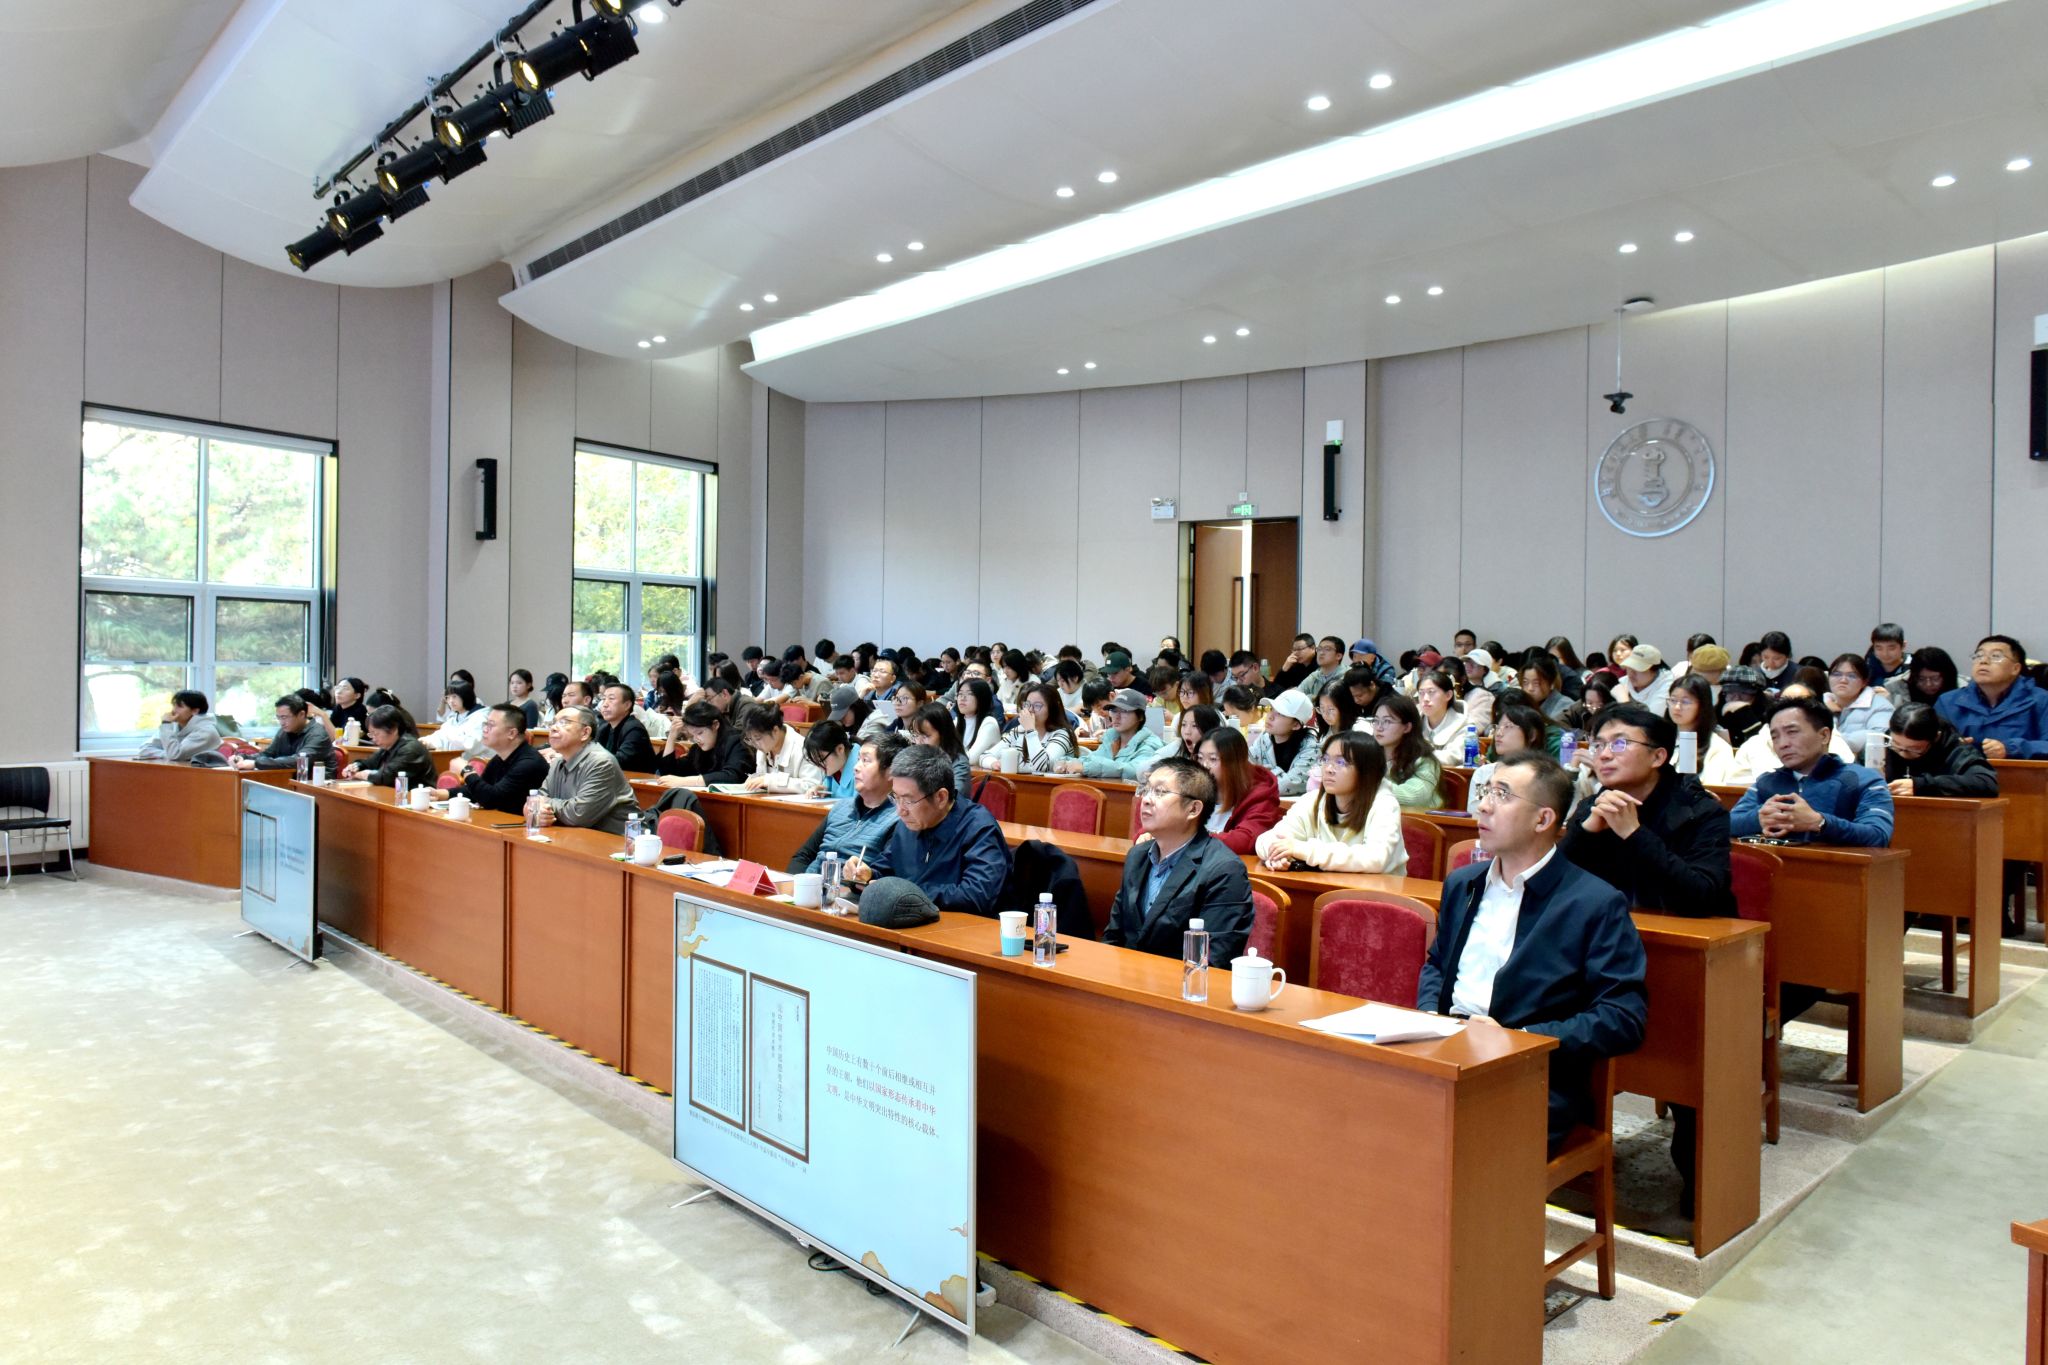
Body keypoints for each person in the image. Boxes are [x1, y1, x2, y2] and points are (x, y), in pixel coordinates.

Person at [1419, 752, 1649, 1150]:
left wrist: (1517, 1040)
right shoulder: (1464, 883)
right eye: (1486, 791)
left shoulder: (1593, 902)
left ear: (1543, 819)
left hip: (1531, 1077)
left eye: (1502, 795)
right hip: (1446, 1051)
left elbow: (1623, 1017)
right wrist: (1428, 1020)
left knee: (1425, 1140)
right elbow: (1437, 965)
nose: (1483, 805)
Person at [1562, 704, 1734, 919]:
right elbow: (1552, 886)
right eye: (1598, 745)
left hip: (1680, 932)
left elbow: (1702, 896)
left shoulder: (1700, 811)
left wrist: (1634, 833)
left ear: (1657, 757)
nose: (1604, 755)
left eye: (1619, 743)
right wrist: (1585, 832)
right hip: (1607, 929)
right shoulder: (1592, 808)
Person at [1102, 757, 1255, 964]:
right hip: (1126, 976)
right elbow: (1114, 936)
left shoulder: (1224, 870)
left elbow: (1212, 960)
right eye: (1145, 790)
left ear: (1193, 809)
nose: (1146, 799)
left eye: (1160, 792)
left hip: (1183, 982)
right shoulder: (1137, 856)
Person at [844, 744, 1010, 919]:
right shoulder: (908, 825)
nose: (900, 811)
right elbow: (885, 869)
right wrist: (865, 875)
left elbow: (978, 895)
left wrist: (908, 894)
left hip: (965, 928)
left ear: (941, 797)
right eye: (895, 798)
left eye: (908, 801)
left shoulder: (979, 827)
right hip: (910, 922)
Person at [1729, 696, 1894, 847]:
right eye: (1775, 737)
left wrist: (1819, 823)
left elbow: (1878, 835)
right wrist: (1758, 818)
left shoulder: (1864, 779)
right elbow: (1728, 824)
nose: (1782, 744)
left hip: (1836, 869)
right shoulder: (1767, 782)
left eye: (1792, 732)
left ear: (1824, 735)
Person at [1255, 731, 1407, 874]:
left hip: (1375, 891)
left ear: (1367, 770)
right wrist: (1277, 855)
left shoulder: (1384, 805)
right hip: (1322, 886)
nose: (1328, 769)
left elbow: (1375, 859)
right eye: (1325, 760)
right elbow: (1267, 839)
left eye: (1341, 762)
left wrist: (1301, 849)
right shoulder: (1312, 800)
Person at [786, 732, 908, 876]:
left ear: (891, 772)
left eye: (865, 760)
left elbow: (880, 875)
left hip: (846, 887)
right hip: (810, 883)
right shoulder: (841, 807)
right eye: (858, 759)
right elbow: (803, 856)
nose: (856, 767)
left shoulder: (898, 819)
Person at [527, 705, 640, 834]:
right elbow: (535, 801)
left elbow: (578, 814)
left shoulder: (601, 762)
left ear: (585, 733)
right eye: (553, 722)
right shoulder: (558, 762)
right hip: (576, 836)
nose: (553, 728)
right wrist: (534, 811)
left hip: (618, 840)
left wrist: (543, 805)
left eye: (564, 722)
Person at [1936, 635, 2048, 760]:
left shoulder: (2040, 700)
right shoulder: (1948, 702)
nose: (1983, 661)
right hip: (1965, 770)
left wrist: (2011, 749)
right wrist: (1952, 746)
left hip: (2021, 771)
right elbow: (1929, 745)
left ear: (2015, 668)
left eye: (1995, 656)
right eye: (1979, 656)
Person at [1727, 682, 1854, 784]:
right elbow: (1734, 792)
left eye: (1801, 701)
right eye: (1785, 701)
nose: (1783, 744)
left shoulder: (1835, 743)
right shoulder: (1754, 745)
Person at [1883, 703, 1998, 799]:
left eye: (1914, 749)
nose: (1903, 753)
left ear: (1936, 737)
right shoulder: (1882, 741)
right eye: (1896, 744)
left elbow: (1987, 782)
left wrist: (1923, 785)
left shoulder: (1955, 749)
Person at [1195, 727, 1281, 854]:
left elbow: (1247, 839)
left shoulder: (1260, 795)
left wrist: (1191, 841)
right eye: (1200, 758)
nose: (1204, 766)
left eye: (1213, 759)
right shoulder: (1194, 787)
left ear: (1234, 762)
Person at [452, 704, 551, 812]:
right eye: (485, 724)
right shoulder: (500, 758)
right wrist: (442, 794)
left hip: (523, 821)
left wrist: (467, 771)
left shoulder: (529, 763)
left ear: (511, 733)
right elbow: (477, 791)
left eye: (491, 725)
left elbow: (491, 799)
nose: (485, 729)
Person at [1366, 694, 1444, 809]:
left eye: (1387, 721)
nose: (1379, 727)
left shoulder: (1425, 761)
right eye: (1376, 721)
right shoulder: (1368, 755)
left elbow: (1414, 796)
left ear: (1407, 727)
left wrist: (1366, 788)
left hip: (1417, 819)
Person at [1467, 705, 1549, 814]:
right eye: (1498, 727)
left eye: (1508, 727)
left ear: (1532, 735)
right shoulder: (1484, 772)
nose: (1498, 734)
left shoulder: (1543, 776)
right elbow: (1476, 811)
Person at [1068, 689, 1166, 779]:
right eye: (1114, 710)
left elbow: (1136, 770)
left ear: (1140, 717)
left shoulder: (1150, 743)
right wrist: (1067, 763)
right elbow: (1093, 758)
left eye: (1124, 711)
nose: (1117, 716)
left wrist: (1087, 767)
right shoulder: (1112, 737)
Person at [651, 701, 752, 788]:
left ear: (715, 725)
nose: (696, 739)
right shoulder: (697, 749)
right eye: (692, 735)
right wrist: (671, 737)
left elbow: (733, 776)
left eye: (699, 733)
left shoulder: (737, 741)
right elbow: (669, 774)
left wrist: (687, 781)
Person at [983, 682, 1076, 774]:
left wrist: (1030, 730)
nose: (1030, 710)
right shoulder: (1019, 731)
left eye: (1037, 706)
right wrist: (993, 763)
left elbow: (1042, 766)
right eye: (1027, 705)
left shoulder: (1062, 734)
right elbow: (985, 755)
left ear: (1053, 709)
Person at [1666, 673, 1740, 786]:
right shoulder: (1659, 738)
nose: (1677, 707)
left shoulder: (1717, 748)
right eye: (1673, 700)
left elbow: (1713, 790)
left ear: (1702, 706)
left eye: (1685, 702)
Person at [339, 704, 435, 789]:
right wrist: (356, 767)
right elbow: (368, 763)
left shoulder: (411, 748)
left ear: (393, 729)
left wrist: (360, 774)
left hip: (417, 798)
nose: (373, 739)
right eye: (371, 734)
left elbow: (387, 777)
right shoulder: (388, 746)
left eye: (376, 734)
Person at [234, 695, 336, 774]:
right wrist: (243, 758)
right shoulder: (284, 731)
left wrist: (256, 763)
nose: (281, 722)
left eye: (284, 717)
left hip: (316, 785)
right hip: (289, 780)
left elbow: (298, 761)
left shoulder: (317, 734)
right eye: (279, 718)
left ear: (301, 714)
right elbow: (268, 754)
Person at [1248, 689, 1319, 796]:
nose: (1270, 716)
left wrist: (1262, 773)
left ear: (1296, 725)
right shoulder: (1264, 738)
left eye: (1280, 713)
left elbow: (1286, 785)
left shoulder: (1311, 747)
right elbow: (1244, 772)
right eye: (1271, 709)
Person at [1823, 654, 1894, 756]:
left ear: (1864, 682)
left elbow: (1877, 737)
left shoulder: (1881, 707)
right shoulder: (1819, 703)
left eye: (1852, 676)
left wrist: (1825, 740)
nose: (1843, 680)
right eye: (1837, 674)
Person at [740, 705, 823, 790]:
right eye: (750, 739)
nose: (754, 744)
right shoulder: (764, 749)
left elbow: (812, 785)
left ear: (775, 730)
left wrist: (771, 781)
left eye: (758, 738)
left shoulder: (804, 749)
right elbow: (762, 778)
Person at [908, 702, 976, 798]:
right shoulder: (917, 759)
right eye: (916, 735)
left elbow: (953, 799)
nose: (919, 742)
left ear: (943, 734)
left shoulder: (959, 763)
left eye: (925, 736)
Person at [138, 690, 222, 763]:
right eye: (173, 705)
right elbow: (144, 749)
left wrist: (166, 724)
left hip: (204, 774)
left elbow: (175, 755)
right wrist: (166, 754)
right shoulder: (173, 725)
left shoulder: (206, 731)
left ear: (195, 711)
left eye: (179, 706)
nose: (173, 710)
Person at [1140, 703, 1223, 777]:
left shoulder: (1220, 754)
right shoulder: (1178, 746)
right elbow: (1142, 770)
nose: (1187, 732)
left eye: (1195, 726)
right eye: (1184, 724)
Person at [590, 682, 657, 773]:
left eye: (611, 699)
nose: (605, 704)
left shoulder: (634, 729)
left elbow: (621, 761)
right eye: (604, 699)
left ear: (627, 705)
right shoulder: (604, 728)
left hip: (636, 780)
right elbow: (592, 752)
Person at [1416, 669, 1468, 765]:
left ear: (1448, 695)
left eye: (1431, 692)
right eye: (1421, 693)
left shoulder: (1465, 725)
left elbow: (1453, 757)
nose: (1425, 699)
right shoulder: (1412, 721)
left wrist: (1414, 756)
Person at [801, 720, 861, 801]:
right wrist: (822, 790)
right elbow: (828, 789)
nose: (819, 766)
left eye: (821, 759)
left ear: (840, 749)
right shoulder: (836, 767)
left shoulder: (861, 768)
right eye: (815, 761)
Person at [1886, 644, 1959, 710]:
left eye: (1935, 678)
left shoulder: (1962, 689)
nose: (1928, 684)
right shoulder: (1894, 688)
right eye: (1921, 679)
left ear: (1946, 676)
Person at [424, 683, 489, 755]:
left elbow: (470, 744)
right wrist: (425, 742)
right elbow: (439, 738)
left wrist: (448, 733)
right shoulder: (454, 718)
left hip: (476, 761)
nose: (450, 701)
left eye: (454, 696)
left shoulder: (481, 717)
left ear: (466, 696)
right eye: (447, 697)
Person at [1715, 666, 1770, 749]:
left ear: (1757, 695)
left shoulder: (1770, 715)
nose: (1737, 698)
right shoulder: (1715, 715)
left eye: (1744, 692)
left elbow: (1762, 747)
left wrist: (1745, 714)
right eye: (1731, 692)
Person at [953, 678, 1003, 764]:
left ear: (981, 698)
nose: (962, 698)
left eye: (970, 694)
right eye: (960, 694)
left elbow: (971, 759)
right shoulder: (957, 721)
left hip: (980, 772)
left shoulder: (989, 723)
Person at [1616, 644, 1673, 715]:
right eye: (1629, 667)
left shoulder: (1667, 686)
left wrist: (1624, 701)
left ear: (1654, 670)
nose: (1631, 673)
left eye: (1638, 668)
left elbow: (1652, 717)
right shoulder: (1622, 682)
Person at [1519, 653, 1572, 722]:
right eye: (1525, 682)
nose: (1530, 688)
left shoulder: (1566, 706)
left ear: (1551, 683)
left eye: (1536, 683)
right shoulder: (1522, 704)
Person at [1263, 634, 1318, 698]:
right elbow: (1276, 689)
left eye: (1300, 649)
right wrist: (1284, 669)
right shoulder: (1296, 665)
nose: (1296, 653)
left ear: (1313, 648)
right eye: (1294, 650)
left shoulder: (1322, 663)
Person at [1866, 623, 1911, 689]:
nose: (1885, 654)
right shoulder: (1868, 664)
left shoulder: (1912, 666)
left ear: (1903, 646)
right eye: (1879, 648)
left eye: (1891, 648)